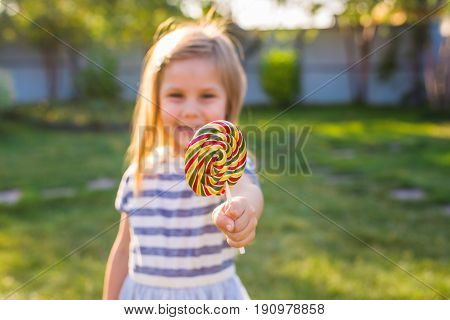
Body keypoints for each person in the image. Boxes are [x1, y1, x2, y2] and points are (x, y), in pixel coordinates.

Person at [102, 17, 264, 300]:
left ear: (229, 102)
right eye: (175, 95)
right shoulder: (140, 173)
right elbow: (123, 249)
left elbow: (247, 190)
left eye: (207, 95)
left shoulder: (225, 164)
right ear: (155, 100)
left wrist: (244, 210)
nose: (190, 110)